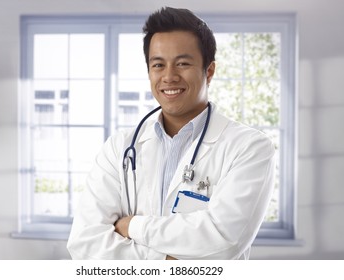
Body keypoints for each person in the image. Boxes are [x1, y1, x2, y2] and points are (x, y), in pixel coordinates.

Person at [67, 6, 275, 260]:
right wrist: (166, 261)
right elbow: (85, 243)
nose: (169, 77)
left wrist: (132, 226)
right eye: (158, 65)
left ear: (209, 72)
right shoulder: (119, 148)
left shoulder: (249, 147)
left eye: (183, 64)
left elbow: (224, 240)